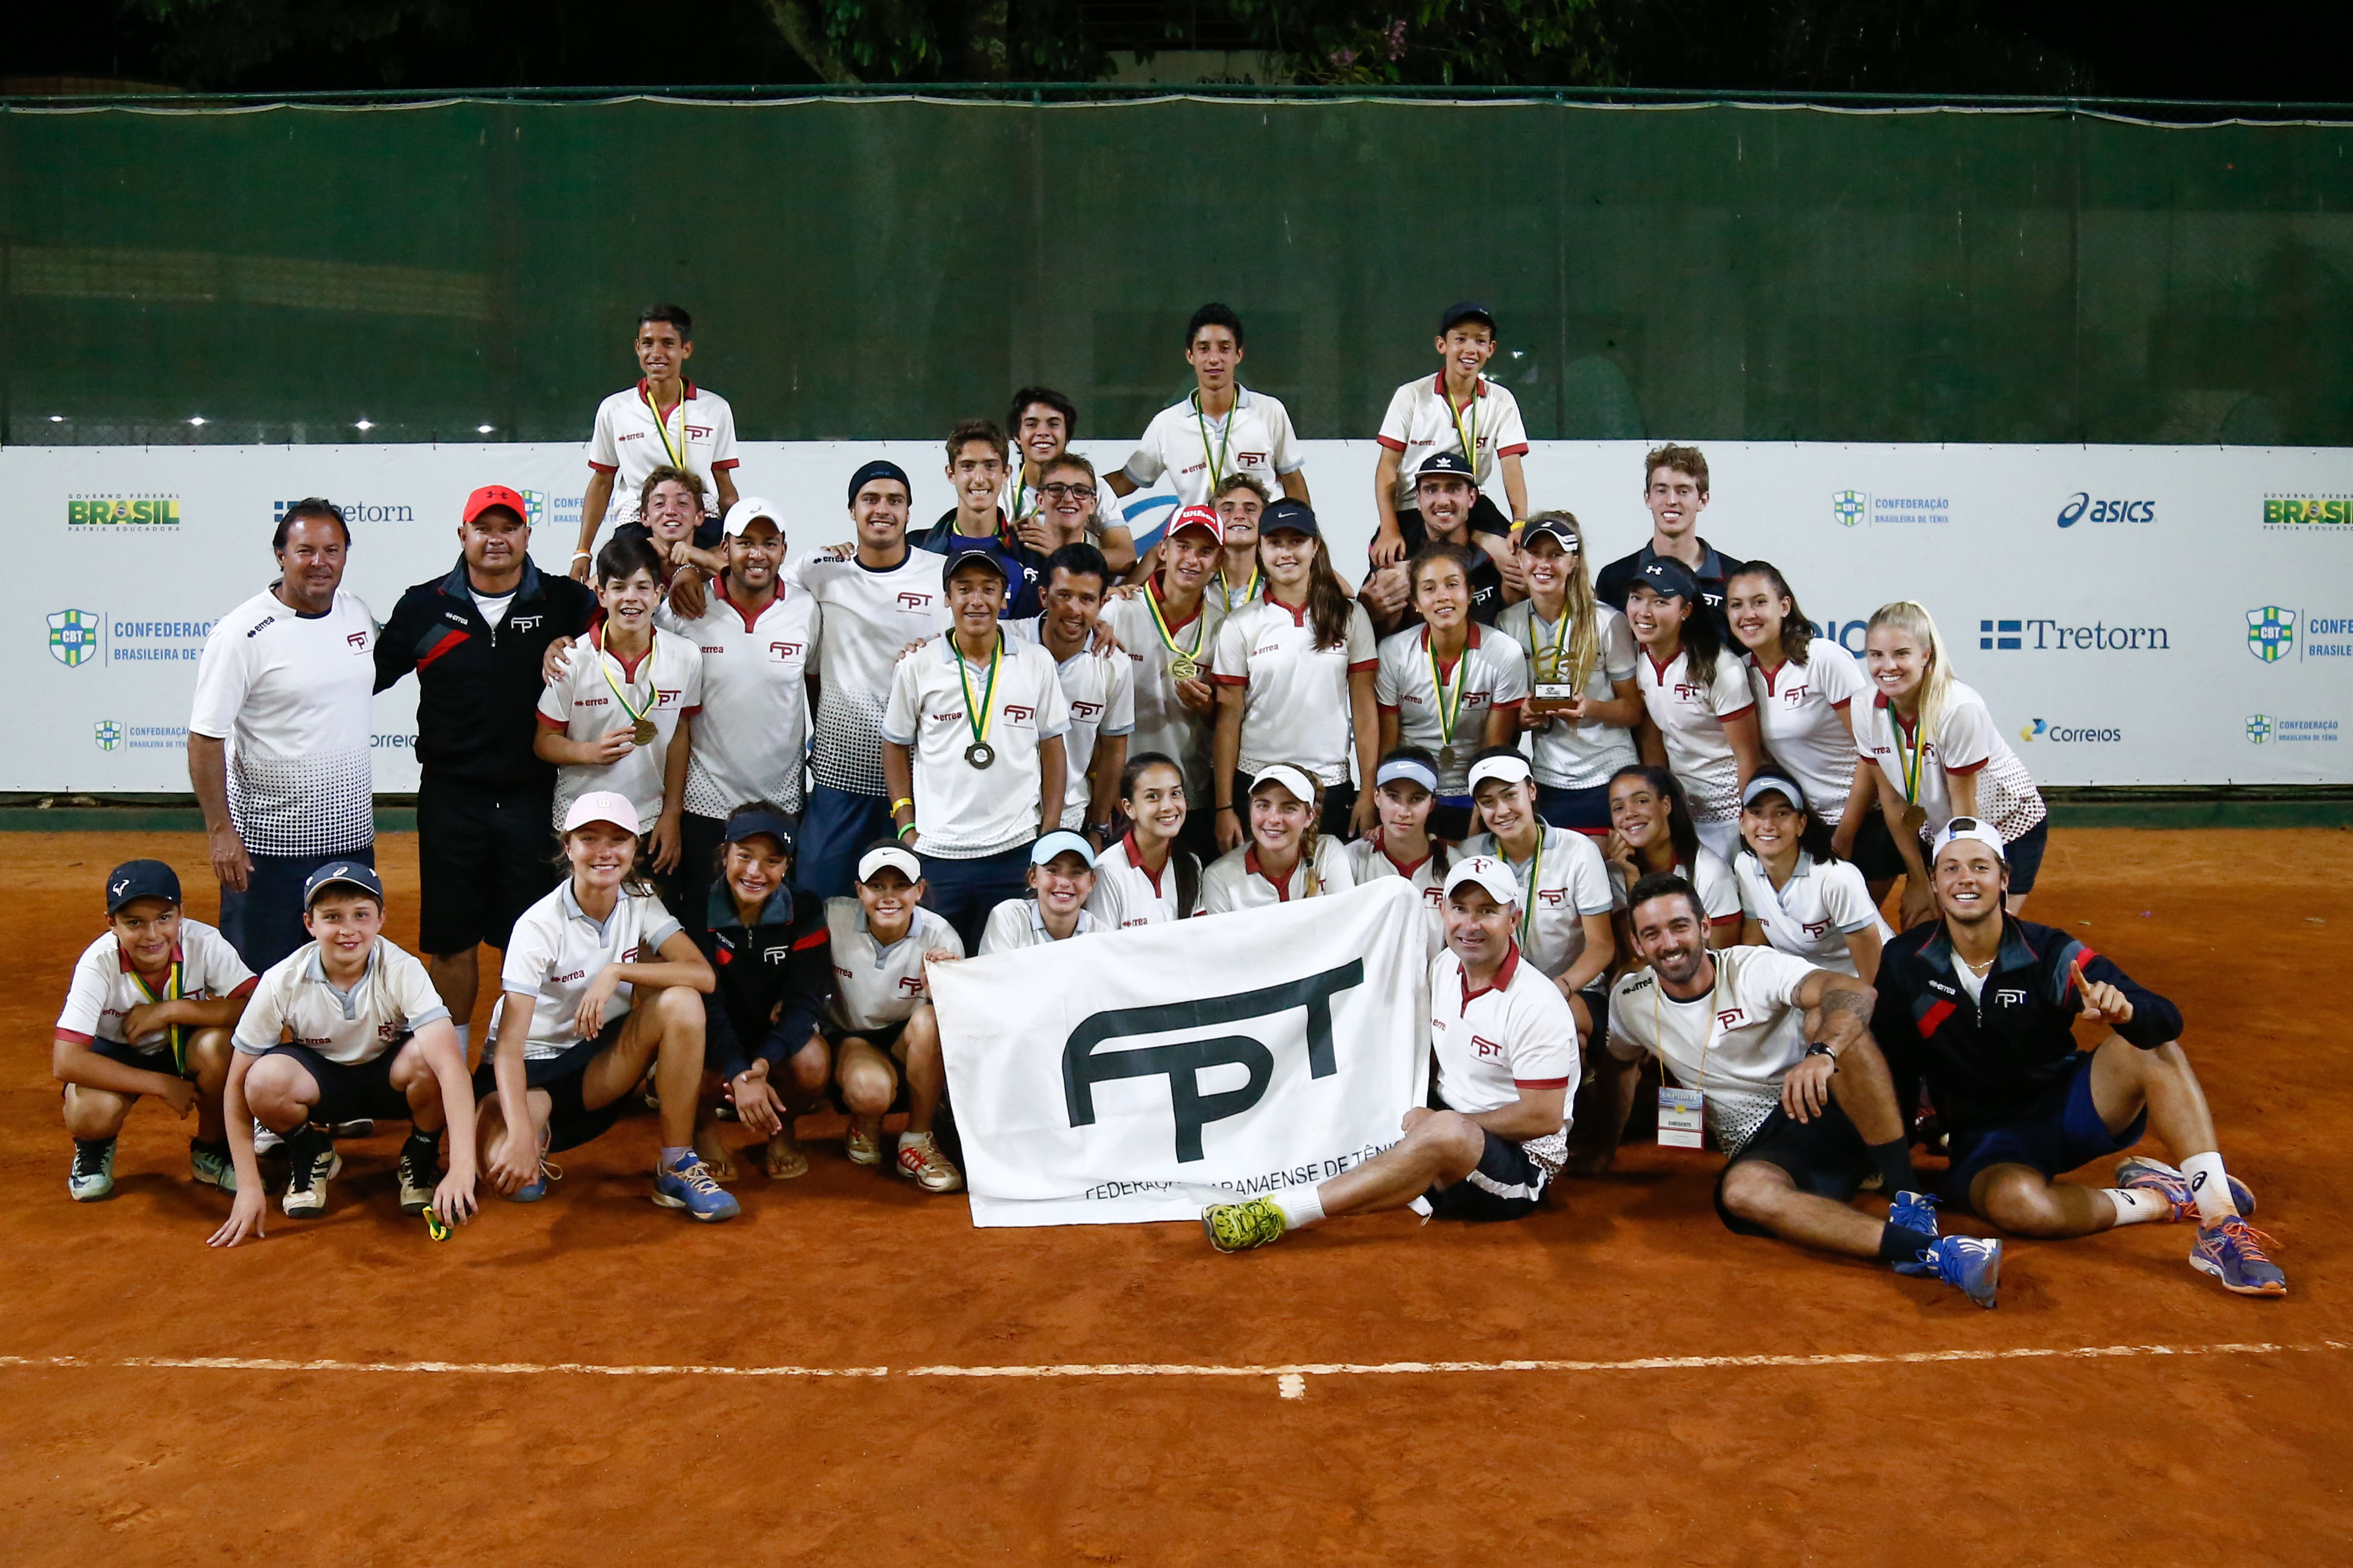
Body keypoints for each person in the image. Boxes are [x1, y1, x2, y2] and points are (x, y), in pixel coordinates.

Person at [1874, 820, 2283, 1296]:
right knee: (2022, 1207)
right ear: (1934, 880)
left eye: (1980, 866)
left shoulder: (2048, 952)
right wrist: (1896, 1162)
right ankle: (2158, 1197)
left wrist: (2125, 1011)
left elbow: (2165, 1019)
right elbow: (1892, 1066)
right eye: (1952, 868)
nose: (1966, 878)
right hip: (1986, 1139)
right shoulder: (1906, 961)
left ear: (2004, 878)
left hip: (2066, 1109)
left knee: (2146, 1045)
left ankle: (2219, 1224)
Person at [1587, 872, 2001, 1308]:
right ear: (1636, 944)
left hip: (1828, 1102)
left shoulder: (1752, 967)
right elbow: (1619, 1067)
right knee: (1741, 1191)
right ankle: (1939, 1253)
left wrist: (1823, 1051)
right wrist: (1602, 1147)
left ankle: (1908, 1196)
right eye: (1651, 933)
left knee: (1829, 1020)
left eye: (1679, 926)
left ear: (1705, 927)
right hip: (1770, 1147)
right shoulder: (1630, 1000)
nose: (1668, 943)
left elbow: (1853, 990)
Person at [1199, 857, 1573, 1250]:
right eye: (1460, 909)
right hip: (1449, 1117)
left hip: (1523, 1165)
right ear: (1443, 911)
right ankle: (1268, 1175)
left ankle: (1282, 1212)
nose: (1470, 924)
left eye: (1488, 911)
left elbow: (1543, 1116)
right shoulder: (1446, 965)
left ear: (1513, 919)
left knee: (1444, 1131)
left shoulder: (1536, 1003)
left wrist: (1444, 1121)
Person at [376, 483, 598, 1054]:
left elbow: (627, 627)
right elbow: (362, 677)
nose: (496, 538)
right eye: (484, 527)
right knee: (451, 943)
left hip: (535, 799)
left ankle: (520, 1059)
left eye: (509, 527)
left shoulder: (565, 602)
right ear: (463, 535)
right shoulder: (422, 606)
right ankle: (450, 1065)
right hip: (452, 798)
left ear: (527, 534)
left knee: (530, 938)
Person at [476, 792, 736, 1221]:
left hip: (596, 1068)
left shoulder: (641, 902)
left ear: (635, 849)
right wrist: (521, 1132)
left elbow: (701, 975)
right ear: (568, 847)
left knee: (684, 1003)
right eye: (590, 838)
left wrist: (618, 970)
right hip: (530, 1066)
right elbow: (507, 1050)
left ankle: (677, 1164)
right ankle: (530, 1127)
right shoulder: (537, 926)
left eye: (618, 839)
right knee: (511, 1178)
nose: (604, 851)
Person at [207, 861, 478, 1243]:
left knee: (430, 1058)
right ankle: (311, 1152)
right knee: (262, 1079)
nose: (348, 929)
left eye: (361, 915)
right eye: (332, 917)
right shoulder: (281, 980)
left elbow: (451, 1066)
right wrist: (249, 1185)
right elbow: (236, 1086)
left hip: (390, 1082)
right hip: (323, 1086)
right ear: (309, 923)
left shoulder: (403, 969)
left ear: (381, 919)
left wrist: (463, 1167)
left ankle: (421, 1153)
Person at [189, 499, 378, 974]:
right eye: (306, 550)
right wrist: (220, 833)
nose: (321, 562)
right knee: (256, 984)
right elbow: (204, 739)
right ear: (281, 555)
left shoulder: (356, 613)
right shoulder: (241, 634)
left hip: (350, 841)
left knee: (346, 976)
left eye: (332, 550)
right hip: (266, 851)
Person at [882, 546, 1071, 954]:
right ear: (947, 597)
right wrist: (906, 826)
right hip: (937, 852)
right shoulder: (917, 666)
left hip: (1014, 850)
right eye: (964, 588)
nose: (976, 600)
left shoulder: (1037, 662)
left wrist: (1049, 827)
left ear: (1005, 597)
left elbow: (1053, 749)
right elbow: (894, 745)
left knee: (1008, 975)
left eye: (989, 588)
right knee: (944, 974)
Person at [788, 460, 953, 899]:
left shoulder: (943, 574)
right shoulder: (819, 569)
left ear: (910, 512)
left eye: (895, 500)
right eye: (871, 499)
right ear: (851, 510)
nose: (883, 509)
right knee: (817, 896)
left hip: (922, 772)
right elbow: (753, 582)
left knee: (918, 902)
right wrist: (692, 568)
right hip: (841, 771)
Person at [655, 496, 818, 930]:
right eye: (745, 542)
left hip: (781, 804)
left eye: (769, 543)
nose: (757, 554)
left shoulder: (805, 610)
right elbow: (627, 628)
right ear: (724, 549)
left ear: (784, 549)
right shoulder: (687, 607)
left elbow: (815, 687)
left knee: (771, 929)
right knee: (701, 929)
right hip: (704, 807)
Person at [52, 860, 256, 1202]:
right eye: (134, 923)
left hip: (184, 1044)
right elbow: (66, 1061)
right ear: (111, 924)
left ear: (180, 914)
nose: (151, 935)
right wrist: (162, 1085)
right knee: (91, 1109)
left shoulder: (203, 941)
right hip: (119, 1051)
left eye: (164, 918)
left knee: (224, 1047)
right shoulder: (97, 963)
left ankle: (211, 1150)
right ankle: (93, 1150)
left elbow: (256, 1007)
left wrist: (170, 1010)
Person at [1857, 601, 2050, 927]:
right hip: (1939, 826)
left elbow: (1965, 810)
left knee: (1975, 928)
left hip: (2004, 825)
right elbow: (1892, 799)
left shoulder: (1959, 708)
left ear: (1926, 655)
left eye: (1901, 654)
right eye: (1876, 655)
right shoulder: (1864, 705)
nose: (1887, 666)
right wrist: (1920, 880)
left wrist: (1955, 880)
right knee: (1923, 921)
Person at [1210, 499, 1379, 848]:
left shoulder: (1350, 616)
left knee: (1326, 892)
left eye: (1296, 541)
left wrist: (1367, 792)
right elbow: (1228, 719)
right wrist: (1225, 805)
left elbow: (1364, 712)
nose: (1286, 553)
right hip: (1256, 781)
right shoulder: (1240, 625)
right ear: (1260, 548)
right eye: (1275, 542)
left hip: (1329, 786)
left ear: (1315, 546)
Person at [534, 535, 703, 877]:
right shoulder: (571, 659)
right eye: (619, 587)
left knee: (648, 926)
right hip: (580, 821)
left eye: (642, 587)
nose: (631, 598)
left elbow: (679, 735)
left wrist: (671, 814)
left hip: (648, 821)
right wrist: (589, 752)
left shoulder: (685, 656)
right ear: (601, 595)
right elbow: (544, 741)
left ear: (659, 594)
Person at [690, 804, 833, 1183]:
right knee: (685, 1057)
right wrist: (739, 1071)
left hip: (771, 1041)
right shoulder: (694, 908)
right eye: (745, 856)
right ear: (726, 855)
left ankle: (782, 1129)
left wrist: (763, 1063)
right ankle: (703, 1130)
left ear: (787, 865)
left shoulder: (805, 909)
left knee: (814, 1062)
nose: (756, 872)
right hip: (714, 1037)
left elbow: (805, 1003)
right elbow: (708, 1002)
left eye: (772, 861)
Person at [823, 843, 965, 1193]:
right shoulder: (832, 918)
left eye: (901, 886)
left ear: (919, 891)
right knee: (872, 1092)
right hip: (853, 1036)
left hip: (910, 1038)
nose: (889, 897)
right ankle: (865, 1119)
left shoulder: (942, 937)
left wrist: (941, 989)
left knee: (931, 1021)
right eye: (877, 886)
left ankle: (916, 1140)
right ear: (859, 891)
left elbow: (961, 1023)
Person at [1497, 512, 1642, 834]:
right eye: (1535, 554)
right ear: (1520, 558)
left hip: (1610, 773)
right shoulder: (1508, 624)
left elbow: (1633, 709)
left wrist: (1591, 708)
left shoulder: (1607, 621)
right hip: (1548, 778)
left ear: (1574, 561)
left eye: (1556, 555)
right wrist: (1522, 717)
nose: (1543, 565)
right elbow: (1511, 713)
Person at [572, 303, 740, 579]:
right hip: (638, 522)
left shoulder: (715, 408)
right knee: (603, 585)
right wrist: (582, 552)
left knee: (730, 567)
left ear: (686, 350)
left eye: (668, 343)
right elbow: (602, 482)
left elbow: (724, 485)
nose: (657, 353)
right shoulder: (615, 408)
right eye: (648, 343)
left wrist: (739, 536)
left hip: (700, 519)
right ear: (637, 347)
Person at [1098, 505, 1227, 861]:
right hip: (1124, 793)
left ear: (1219, 560)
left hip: (1189, 793)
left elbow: (1229, 718)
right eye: (1183, 546)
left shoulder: (1223, 626)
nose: (1192, 560)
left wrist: (1209, 707)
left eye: (1205, 552)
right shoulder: (1119, 611)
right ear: (1163, 551)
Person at [1724, 561, 1874, 861]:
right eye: (1736, 605)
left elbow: (1873, 753)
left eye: (1759, 602)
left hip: (1863, 822)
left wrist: (1845, 835)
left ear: (1784, 606)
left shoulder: (1823, 658)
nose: (1747, 615)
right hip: (1805, 825)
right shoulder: (1739, 673)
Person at [1373, 547, 1528, 837]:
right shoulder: (1393, 652)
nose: (1443, 596)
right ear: (1416, 603)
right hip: (1412, 787)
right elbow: (1388, 747)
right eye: (1429, 589)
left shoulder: (1504, 653)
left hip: (1473, 792)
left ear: (1470, 594)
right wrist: (1386, 806)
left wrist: (1479, 813)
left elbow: (1492, 752)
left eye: (1452, 585)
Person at [1462, 752, 1616, 1034]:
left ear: (1531, 790)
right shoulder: (1468, 857)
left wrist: (1559, 989)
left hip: (1573, 988)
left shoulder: (1578, 851)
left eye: (1510, 795)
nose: (1502, 810)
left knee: (1555, 1031)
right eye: (1488, 803)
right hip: (1500, 990)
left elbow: (1602, 946)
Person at [1369, 301, 1529, 570]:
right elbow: (1387, 467)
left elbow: (1512, 467)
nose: (1470, 349)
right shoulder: (1411, 396)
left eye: (1480, 341)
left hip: (1470, 504)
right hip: (1414, 505)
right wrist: (1389, 528)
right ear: (1442, 345)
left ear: (1491, 349)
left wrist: (1520, 523)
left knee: (1518, 565)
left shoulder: (1501, 400)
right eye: (1461, 339)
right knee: (1389, 582)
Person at [1109, 303, 1309, 511]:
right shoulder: (1166, 424)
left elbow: (1292, 479)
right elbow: (1127, 480)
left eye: (1224, 348)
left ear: (1239, 355)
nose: (1214, 359)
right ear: (1190, 356)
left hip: (1259, 536)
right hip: (1201, 538)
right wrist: (1078, 488)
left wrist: (1311, 535)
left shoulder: (1270, 411)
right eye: (1204, 349)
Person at [1626, 556, 1762, 863]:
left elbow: (1748, 757)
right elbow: (1654, 740)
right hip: (1684, 812)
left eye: (1660, 601)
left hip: (1731, 816)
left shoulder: (1719, 667)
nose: (1643, 612)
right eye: (1636, 598)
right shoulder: (1641, 655)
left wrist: (1748, 822)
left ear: (1685, 610)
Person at [1010, 542, 1134, 839]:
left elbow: (1114, 753)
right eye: (1063, 596)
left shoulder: (1115, 666)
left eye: (1087, 599)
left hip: (1071, 813)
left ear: (1102, 604)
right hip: (1005, 812)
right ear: (1044, 596)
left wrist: (1098, 827)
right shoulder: (1004, 642)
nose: (1074, 610)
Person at [1731, 774, 1890, 983]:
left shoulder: (1837, 879)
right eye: (1757, 813)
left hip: (1859, 982)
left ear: (1801, 824)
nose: (1768, 825)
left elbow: (1874, 976)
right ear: (1742, 823)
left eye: (1782, 813)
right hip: (1804, 984)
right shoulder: (1744, 865)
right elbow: (1755, 932)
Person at [1361, 453, 1520, 636]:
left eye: (1453, 489)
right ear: (1418, 499)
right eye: (1431, 490)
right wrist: (1368, 612)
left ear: (1472, 498)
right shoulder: (1396, 552)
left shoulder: (1496, 547)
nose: (1443, 501)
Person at [1594, 443, 1743, 634]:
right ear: (1648, 498)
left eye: (1683, 491)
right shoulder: (1615, 577)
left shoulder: (1735, 578)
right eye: (1661, 490)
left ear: (1703, 500)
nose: (1671, 501)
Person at [914, 418, 1044, 619]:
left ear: (1006, 473)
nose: (980, 479)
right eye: (967, 467)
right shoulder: (917, 546)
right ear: (951, 474)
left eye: (990, 466)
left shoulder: (1032, 550)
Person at [1603, 764, 1740, 946]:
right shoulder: (1614, 874)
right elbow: (1636, 959)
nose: (1629, 814)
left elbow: (1723, 957)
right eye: (1618, 808)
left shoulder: (1710, 873)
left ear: (1666, 805)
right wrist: (1632, 878)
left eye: (1641, 801)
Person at [1007, 388, 1137, 575]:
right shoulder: (1003, 495)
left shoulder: (1097, 489)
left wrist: (1063, 554)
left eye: (1053, 424)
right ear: (1017, 436)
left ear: (1067, 435)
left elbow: (1126, 558)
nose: (1043, 432)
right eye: (1032, 424)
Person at [1197, 765, 1357, 914]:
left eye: (1289, 808)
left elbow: (1346, 924)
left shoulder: (1328, 852)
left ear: (1309, 817)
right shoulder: (1219, 876)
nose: (1273, 819)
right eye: (1263, 806)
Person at [1342, 749, 1453, 960]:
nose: (1403, 812)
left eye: (1416, 799)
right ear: (1376, 797)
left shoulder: (1455, 866)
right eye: (1393, 797)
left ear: (1432, 804)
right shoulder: (1350, 861)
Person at [1087, 752, 1201, 928]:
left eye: (1176, 793)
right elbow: (1104, 949)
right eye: (1153, 797)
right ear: (1129, 807)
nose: (1168, 806)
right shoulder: (1107, 871)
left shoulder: (1192, 864)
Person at [615, 465, 727, 621]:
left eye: (682, 503)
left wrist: (700, 561)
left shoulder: (719, 557)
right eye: (660, 504)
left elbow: (757, 586)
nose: (671, 511)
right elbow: (588, 594)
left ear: (699, 516)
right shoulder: (628, 562)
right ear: (645, 517)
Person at [979, 831, 1102, 951]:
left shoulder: (1101, 934)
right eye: (1053, 870)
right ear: (1033, 878)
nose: (1064, 883)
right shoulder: (1010, 918)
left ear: (1091, 882)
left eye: (1077, 872)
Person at [1208, 473, 1270, 612]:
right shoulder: (1196, 583)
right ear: (1213, 519)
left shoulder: (1281, 584)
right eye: (1228, 509)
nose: (1239, 516)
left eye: (1250, 509)